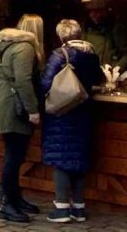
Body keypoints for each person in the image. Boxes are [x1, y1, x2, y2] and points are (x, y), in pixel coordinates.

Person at [40, 19, 105, 223]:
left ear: (61, 36)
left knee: (61, 158)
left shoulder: (59, 55)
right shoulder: (91, 55)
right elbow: (98, 79)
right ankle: (79, 207)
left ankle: (61, 208)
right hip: (84, 112)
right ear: (78, 34)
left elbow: (45, 83)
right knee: (78, 158)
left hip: (61, 112)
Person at [0, 14, 44, 224]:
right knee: (13, 157)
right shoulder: (26, 48)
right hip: (15, 108)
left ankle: (14, 198)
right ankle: (6, 204)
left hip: (9, 105)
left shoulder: (14, 46)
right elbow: (23, 80)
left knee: (15, 156)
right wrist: (33, 110)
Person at [82, 0, 127, 72]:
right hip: (91, 74)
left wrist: (117, 69)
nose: (94, 15)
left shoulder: (115, 29)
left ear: (105, 12)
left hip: (109, 74)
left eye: (98, 11)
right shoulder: (86, 30)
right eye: (92, 11)